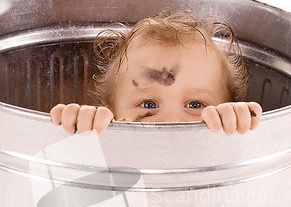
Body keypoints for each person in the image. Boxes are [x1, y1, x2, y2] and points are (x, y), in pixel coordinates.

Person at [50, 10, 262, 134]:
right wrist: (82, 126)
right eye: (149, 104)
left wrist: (237, 122)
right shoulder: (107, 146)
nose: (171, 120)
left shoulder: (227, 140)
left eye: (195, 105)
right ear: (114, 113)